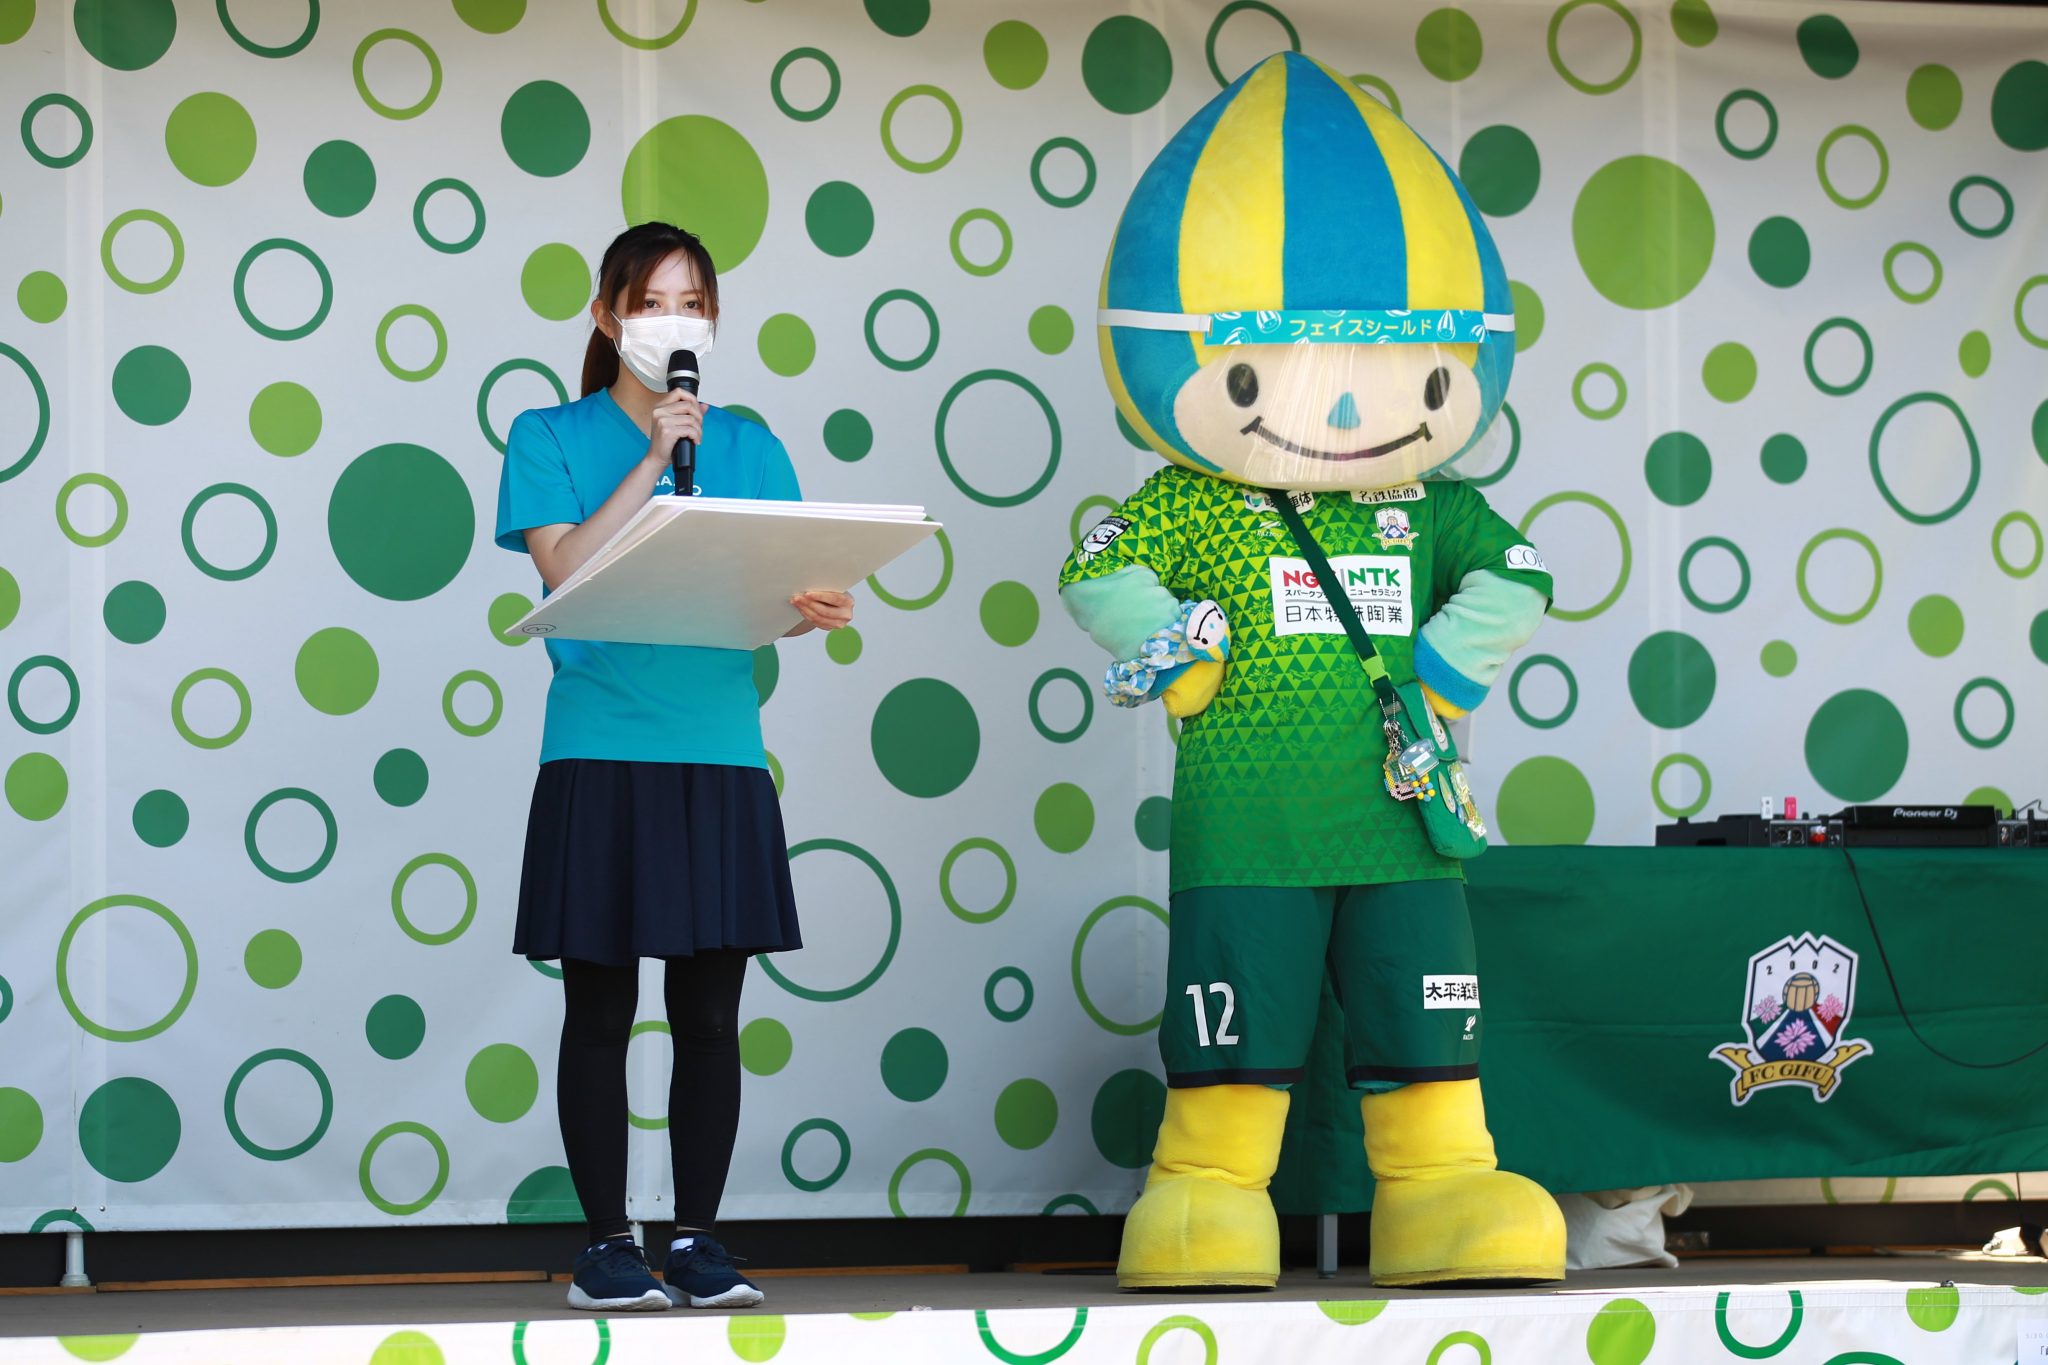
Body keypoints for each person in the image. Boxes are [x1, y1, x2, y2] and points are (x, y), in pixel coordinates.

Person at [495, 221, 853, 1312]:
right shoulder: (547, 434)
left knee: (708, 1016)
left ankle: (697, 1240)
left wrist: (811, 609)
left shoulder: (752, 443)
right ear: (607, 317)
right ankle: (606, 1247)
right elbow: (562, 570)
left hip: (718, 750)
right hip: (600, 746)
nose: (674, 321)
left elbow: (764, 599)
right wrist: (655, 458)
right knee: (600, 1013)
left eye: (692, 302)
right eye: (651, 302)